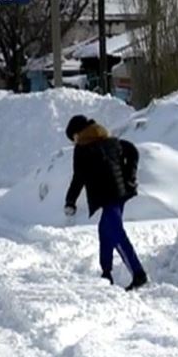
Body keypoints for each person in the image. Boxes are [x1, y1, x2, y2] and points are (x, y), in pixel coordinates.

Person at [63, 115, 148, 291]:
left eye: (73, 138)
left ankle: (138, 273)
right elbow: (132, 150)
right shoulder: (109, 140)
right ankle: (106, 274)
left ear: (77, 134)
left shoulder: (82, 149)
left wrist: (70, 201)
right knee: (105, 230)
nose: (74, 142)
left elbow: (78, 177)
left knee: (115, 232)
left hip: (108, 196)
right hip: (120, 192)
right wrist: (130, 176)